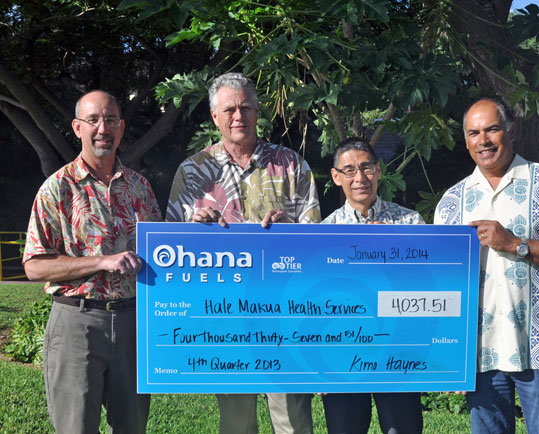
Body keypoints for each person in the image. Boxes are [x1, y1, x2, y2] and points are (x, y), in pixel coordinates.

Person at [166, 72, 321, 434]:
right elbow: (170, 248)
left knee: (294, 421)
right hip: (225, 320)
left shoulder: (291, 164)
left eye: (246, 107)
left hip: (284, 316)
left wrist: (291, 230)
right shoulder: (192, 172)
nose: (239, 116)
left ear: (257, 111)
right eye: (230, 109)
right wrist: (194, 231)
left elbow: (317, 242)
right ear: (214, 115)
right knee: (236, 423)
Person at [434, 98, 539, 434]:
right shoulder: (452, 202)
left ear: (510, 130)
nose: (484, 140)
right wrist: (449, 355)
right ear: (465, 140)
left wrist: (515, 245)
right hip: (480, 351)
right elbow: (444, 286)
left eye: (492, 129)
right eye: (474, 133)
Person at [22, 90, 161, 433]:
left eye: (111, 120)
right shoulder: (57, 189)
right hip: (77, 323)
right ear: (77, 127)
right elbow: (34, 266)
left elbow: (163, 253)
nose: (103, 128)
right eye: (94, 120)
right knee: (75, 427)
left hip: (133, 323)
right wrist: (101, 262)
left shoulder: (140, 188)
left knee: (132, 426)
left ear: (122, 127)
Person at [321, 137, 424, 434]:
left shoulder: (410, 224)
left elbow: (428, 287)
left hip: (397, 352)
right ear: (336, 176)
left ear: (379, 171)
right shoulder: (322, 234)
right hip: (342, 355)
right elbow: (316, 305)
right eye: (350, 170)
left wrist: (399, 249)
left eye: (366, 167)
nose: (360, 178)